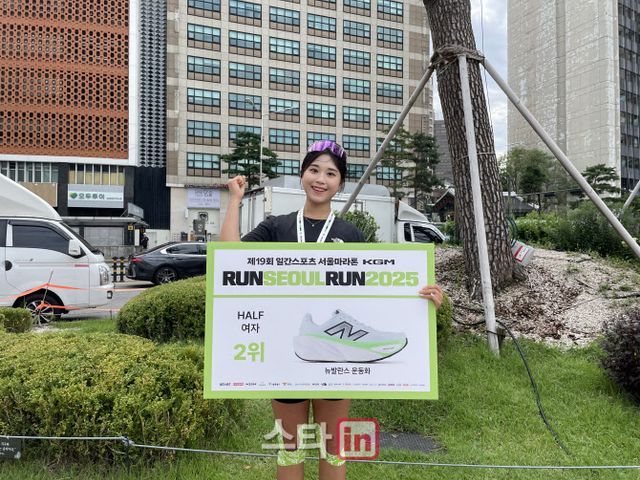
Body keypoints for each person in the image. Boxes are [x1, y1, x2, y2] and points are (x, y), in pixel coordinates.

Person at [221, 140, 443, 480]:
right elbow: (229, 259)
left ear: (340, 183)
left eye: (330, 173)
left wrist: (422, 299)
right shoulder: (276, 227)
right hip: (285, 358)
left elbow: (376, 289)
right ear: (302, 174)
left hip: (337, 355)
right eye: (314, 170)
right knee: (289, 448)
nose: (320, 179)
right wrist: (235, 200)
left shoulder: (350, 234)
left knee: (334, 450)